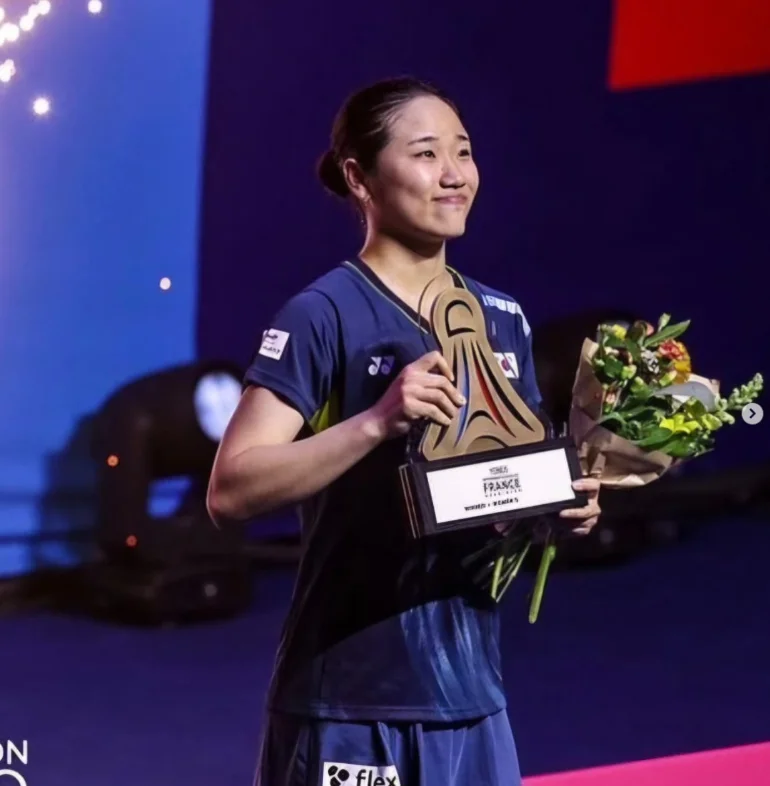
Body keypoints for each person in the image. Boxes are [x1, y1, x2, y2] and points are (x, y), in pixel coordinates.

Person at [207, 77, 601, 786]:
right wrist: (376, 421)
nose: (454, 175)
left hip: (473, 698)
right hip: (350, 702)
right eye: (425, 154)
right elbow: (230, 490)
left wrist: (557, 508)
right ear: (359, 178)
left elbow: (504, 500)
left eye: (464, 152)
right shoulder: (322, 315)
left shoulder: (501, 317)